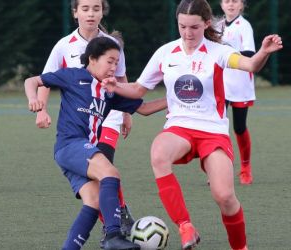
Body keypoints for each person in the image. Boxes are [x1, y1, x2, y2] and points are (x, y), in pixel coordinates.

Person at [101, 0, 282, 249]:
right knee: (159, 153)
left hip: (213, 132)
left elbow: (250, 65)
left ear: (206, 23)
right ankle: (185, 227)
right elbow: (138, 89)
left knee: (225, 197)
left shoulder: (219, 52)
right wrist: (116, 86)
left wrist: (263, 52)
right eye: (182, 26)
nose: (188, 33)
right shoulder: (165, 53)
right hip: (180, 127)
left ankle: (240, 247)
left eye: (194, 27)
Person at [24, 37, 166, 250]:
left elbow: (144, 108)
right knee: (110, 173)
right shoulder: (72, 75)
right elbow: (31, 81)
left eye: (117, 63)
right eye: (110, 61)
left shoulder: (110, 91)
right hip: (70, 145)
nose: (114, 67)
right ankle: (113, 235)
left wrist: (174, 98)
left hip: (77, 153)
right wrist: (34, 100)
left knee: (94, 202)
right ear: (92, 59)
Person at [36, 0, 135, 241]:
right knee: (102, 176)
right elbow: (45, 79)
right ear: (75, 13)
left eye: (96, 9)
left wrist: (126, 113)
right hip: (80, 122)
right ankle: (114, 223)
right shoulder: (64, 46)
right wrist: (41, 109)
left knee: (105, 169)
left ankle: (114, 222)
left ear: (103, 12)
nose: (91, 14)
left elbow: (121, 78)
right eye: (85, 8)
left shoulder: (113, 45)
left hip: (107, 116)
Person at [220, 0, 256, 185]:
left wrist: (227, 52)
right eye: (227, 1)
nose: (231, 4)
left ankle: (245, 168)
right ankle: (219, 170)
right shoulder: (217, 26)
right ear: (221, 5)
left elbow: (250, 54)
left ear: (242, 5)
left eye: (235, 1)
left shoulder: (244, 26)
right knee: (218, 128)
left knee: (239, 127)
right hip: (220, 85)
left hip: (240, 85)